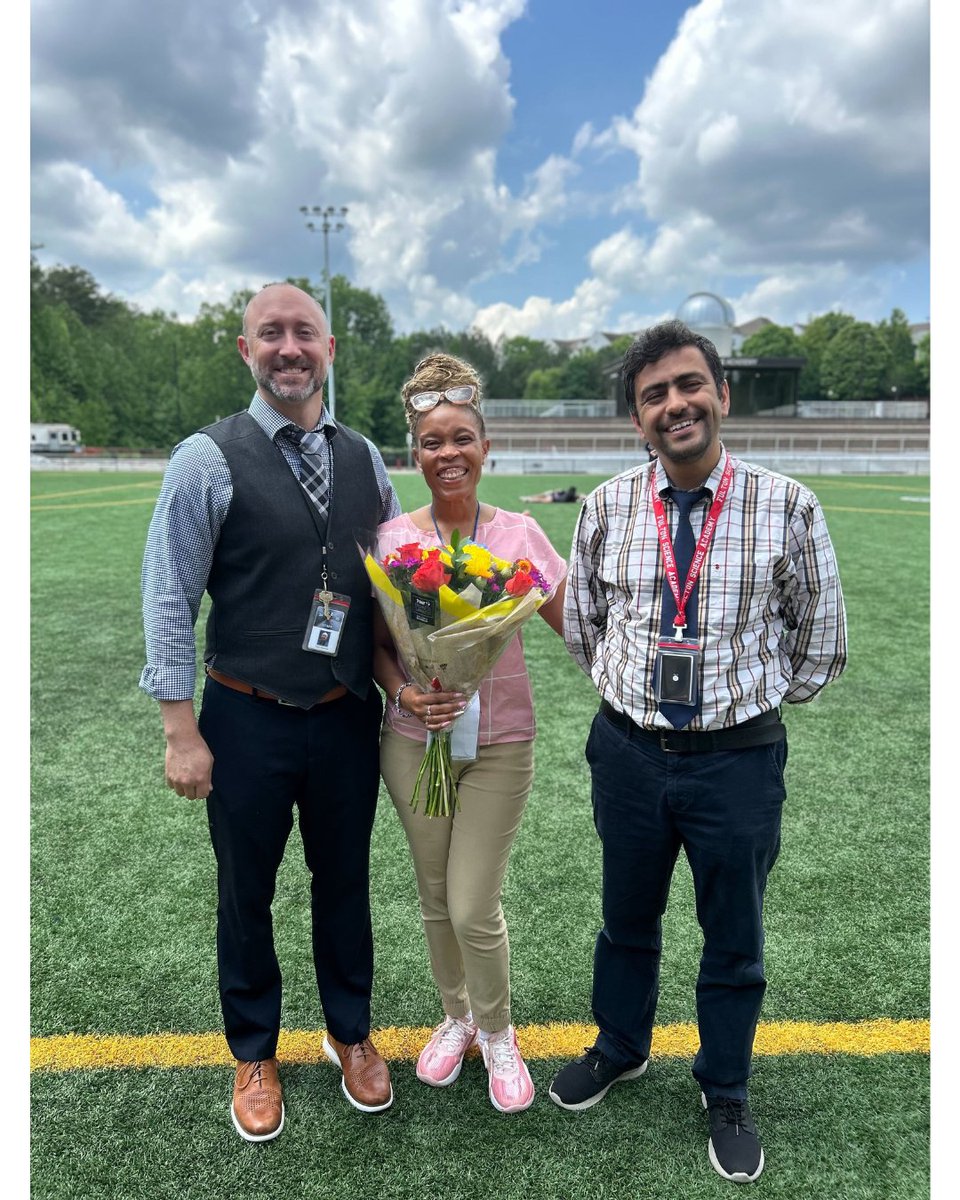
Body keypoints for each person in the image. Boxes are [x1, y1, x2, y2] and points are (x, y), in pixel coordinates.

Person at [548, 320, 847, 1183]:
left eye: (687, 385)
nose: (673, 405)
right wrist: (632, 698)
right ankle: (621, 1045)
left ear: (722, 393)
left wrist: (738, 706)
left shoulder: (787, 505)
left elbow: (819, 644)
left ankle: (724, 1087)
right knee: (626, 918)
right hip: (629, 752)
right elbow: (587, 630)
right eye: (653, 396)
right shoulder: (606, 506)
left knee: (734, 936)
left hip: (738, 760)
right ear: (636, 418)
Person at [139, 282, 401, 1142]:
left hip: (342, 717)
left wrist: (411, 678)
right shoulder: (205, 459)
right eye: (271, 335)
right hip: (244, 716)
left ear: (330, 349)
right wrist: (182, 730)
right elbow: (168, 598)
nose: (289, 349)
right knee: (245, 892)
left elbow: (397, 592)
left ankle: (348, 1033)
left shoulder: (367, 459)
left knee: (345, 884)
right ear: (245, 351)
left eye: (305, 334)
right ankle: (254, 1051)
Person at [372, 353, 567, 1114]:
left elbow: (572, 624)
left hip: (501, 742)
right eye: (431, 442)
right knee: (430, 894)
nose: (447, 453)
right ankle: (454, 1016)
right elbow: (378, 647)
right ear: (414, 454)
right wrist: (407, 693)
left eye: (462, 439)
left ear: (487, 448)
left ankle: (497, 1030)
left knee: (471, 903)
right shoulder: (392, 539)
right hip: (410, 740)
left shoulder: (520, 535)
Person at [518, 485, 583, 503]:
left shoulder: (566, 492)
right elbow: (579, 497)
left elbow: (559, 490)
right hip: (554, 498)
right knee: (540, 500)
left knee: (540, 496)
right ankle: (528, 499)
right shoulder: (572, 497)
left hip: (553, 494)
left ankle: (528, 498)